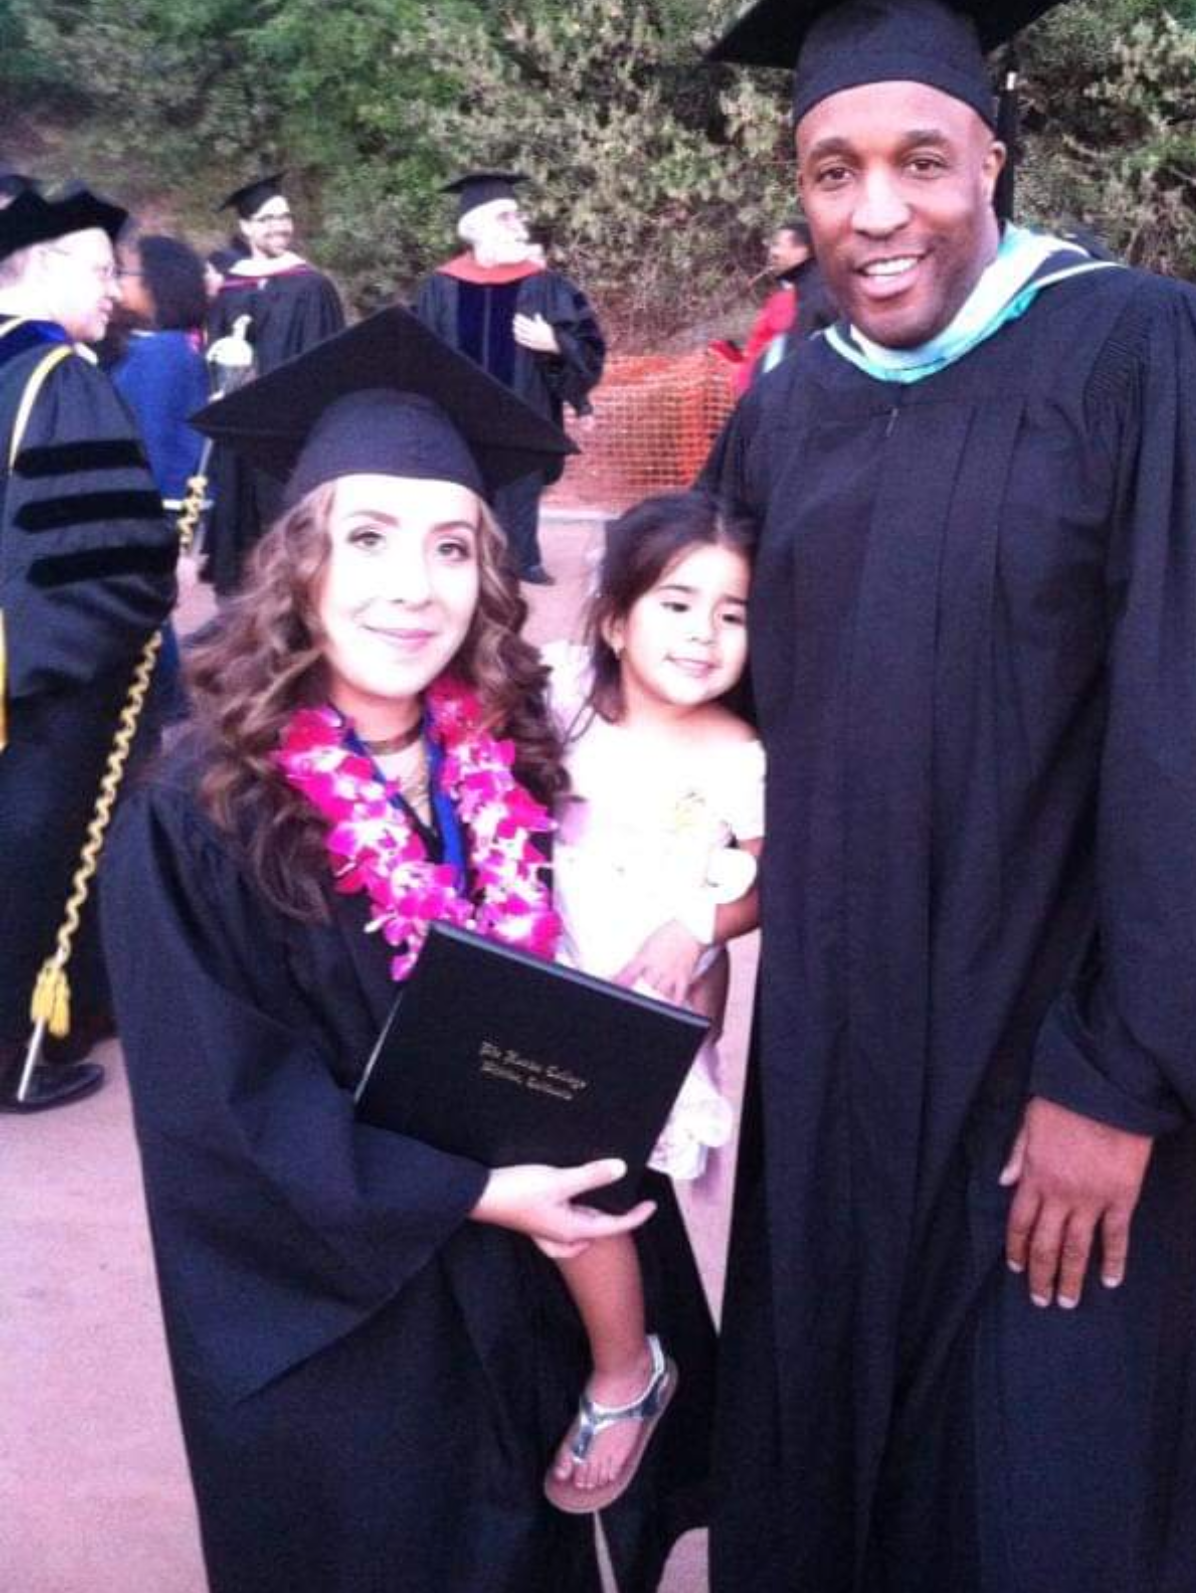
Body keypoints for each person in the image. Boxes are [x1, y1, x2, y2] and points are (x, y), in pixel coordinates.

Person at [698, 0, 1196, 1593]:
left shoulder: (1147, 357)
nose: (879, 213)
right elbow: (708, 699)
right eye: (835, 170)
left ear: (994, 158)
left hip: (1064, 1072)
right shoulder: (791, 408)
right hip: (845, 1059)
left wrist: (1127, 1075)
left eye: (921, 162)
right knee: (838, 1476)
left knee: (1044, 1503)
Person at [99, 308, 714, 1592]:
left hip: (528, 1288)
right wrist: (477, 1193)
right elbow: (219, 1109)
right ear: (298, 560)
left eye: (450, 547)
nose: (410, 586)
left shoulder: (515, 755)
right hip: (344, 1327)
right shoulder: (203, 805)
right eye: (366, 539)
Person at [542, 490, 761, 1513]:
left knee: (578, 1179)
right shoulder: (560, 697)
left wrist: (699, 921)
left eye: (733, 612)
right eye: (678, 603)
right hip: (541, 969)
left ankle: (627, 1369)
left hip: (643, 1002)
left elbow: (772, 869)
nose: (704, 632)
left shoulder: (740, 754)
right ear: (617, 617)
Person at [0, 186, 177, 1110]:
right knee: (33, 853)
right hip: (42, 686)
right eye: (103, 271)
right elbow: (99, 552)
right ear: (43, 268)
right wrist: (155, 565)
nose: (116, 292)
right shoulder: (54, 375)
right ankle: (17, 1051)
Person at [415, 170, 606, 585]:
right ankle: (460, 557)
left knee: (520, 483)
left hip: (524, 406)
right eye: (506, 217)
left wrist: (555, 342)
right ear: (477, 228)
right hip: (461, 414)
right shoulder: (441, 286)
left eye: (517, 216)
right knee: (461, 484)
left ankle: (523, 558)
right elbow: (419, 351)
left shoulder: (544, 284)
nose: (519, 224)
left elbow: (587, 340)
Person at [204, 172, 345, 593]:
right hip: (238, 428)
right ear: (245, 227)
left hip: (288, 430)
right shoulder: (231, 289)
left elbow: (327, 363)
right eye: (267, 219)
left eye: (284, 216)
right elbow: (213, 353)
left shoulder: (312, 286)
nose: (280, 226)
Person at [109, 234, 213, 723]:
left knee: (145, 629)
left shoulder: (161, 357)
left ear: (155, 286)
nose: (116, 286)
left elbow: (155, 448)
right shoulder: (160, 349)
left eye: (124, 276)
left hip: (147, 511)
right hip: (151, 513)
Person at [734, 218, 835, 394]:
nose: (773, 252)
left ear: (804, 250)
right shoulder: (796, 294)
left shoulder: (817, 296)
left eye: (779, 245)